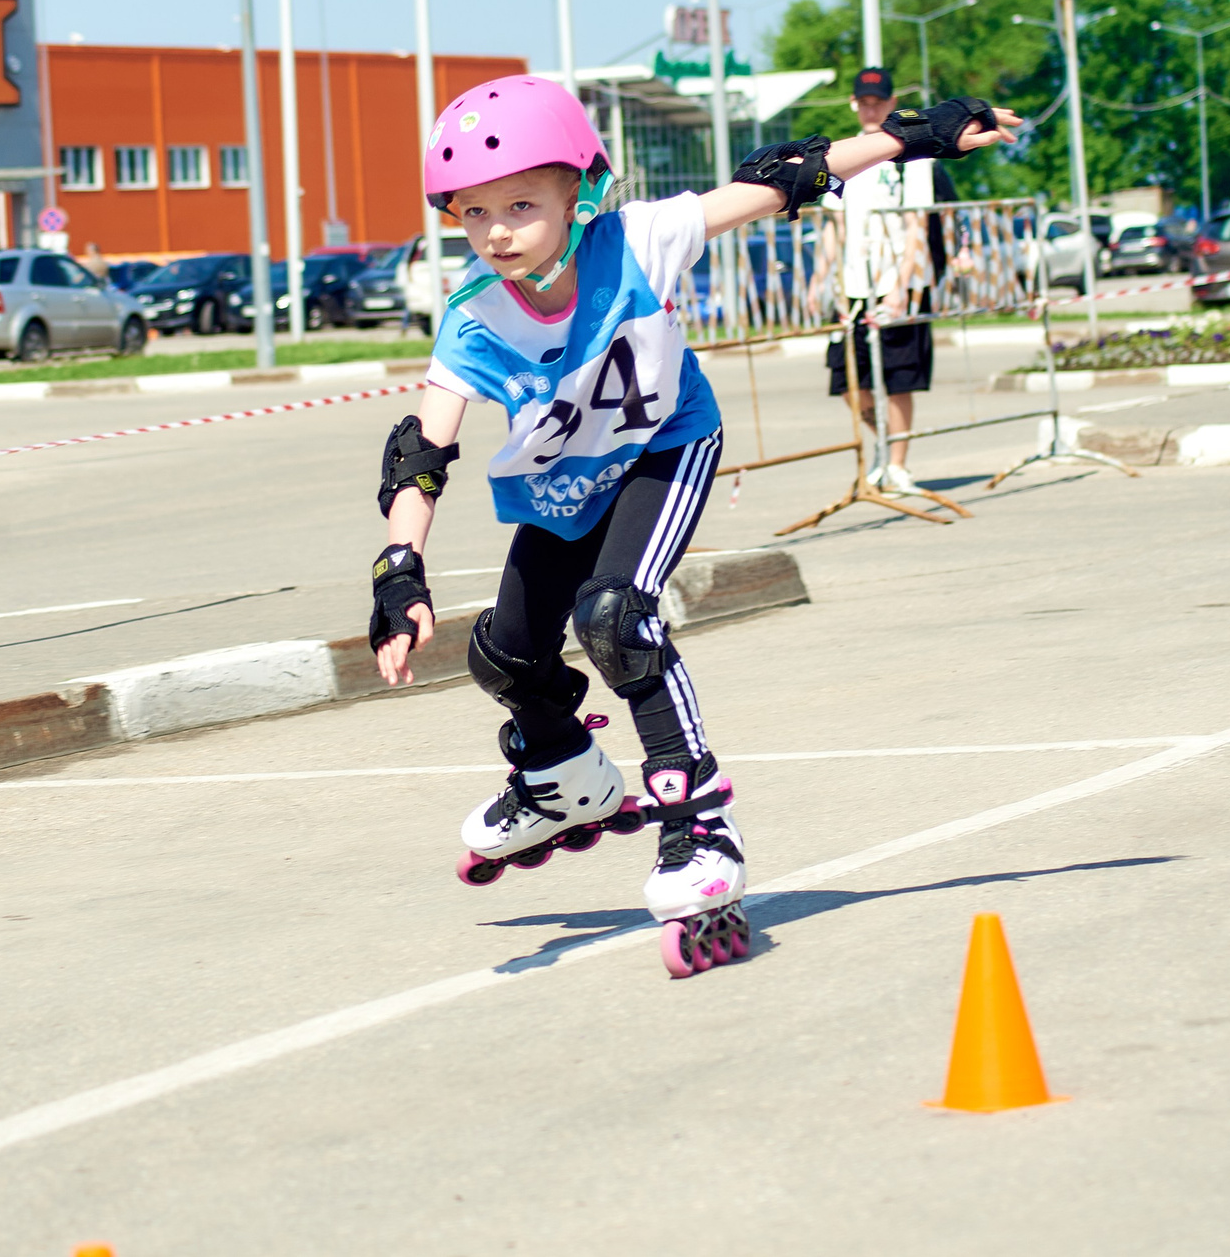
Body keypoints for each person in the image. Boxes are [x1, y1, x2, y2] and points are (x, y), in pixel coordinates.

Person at [368, 74, 1018, 979]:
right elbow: (421, 453)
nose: (496, 230)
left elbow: (788, 174)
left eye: (520, 203)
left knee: (614, 620)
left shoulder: (636, 240)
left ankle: (700, 825)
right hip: (566, 483)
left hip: (666, 449)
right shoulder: (474, 317)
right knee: (504, 654)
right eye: (473, 212)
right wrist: (400, 570)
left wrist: (925, 135)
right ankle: (565, 777)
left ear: (578, 193)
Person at [823, 66, 958, 496]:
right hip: (854, 284)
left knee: (900, 377)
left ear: (892, 102)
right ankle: (883, 442)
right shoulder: (841, 153)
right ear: (853, 103)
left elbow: (918, 224)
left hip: (899, 281)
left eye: (878, 101)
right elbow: (833, 225)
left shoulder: (911, 155)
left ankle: (898, 464)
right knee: (848, 380)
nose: (870, 108)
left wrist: (902, 285)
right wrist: (823, 278)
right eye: (863, 101)